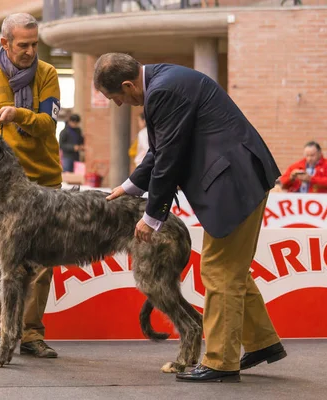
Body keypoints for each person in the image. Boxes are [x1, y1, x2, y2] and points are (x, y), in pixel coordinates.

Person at [94, 53, 286, 383]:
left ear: (128, 85)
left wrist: (152, 217)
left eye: (117, 99)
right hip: (240, 176)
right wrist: (130, 186)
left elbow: (169, 158)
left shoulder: (163, 91)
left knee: (219, 270)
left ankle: (221, 361)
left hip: (235, 182)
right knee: (232, 269)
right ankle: (263, 343)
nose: (119, 105)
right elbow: (160, 149)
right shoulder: (164, 81)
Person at [0, 12, 62, 359]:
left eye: (35, 44)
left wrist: (17, 114)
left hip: (45, 179)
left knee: (41, 263)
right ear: (5, 43)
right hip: (4, 189)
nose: (30, 51)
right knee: (0, 262)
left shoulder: (48, 74)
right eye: (23, 45)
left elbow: (47, 125)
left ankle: (32, 334)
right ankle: (1, 333)